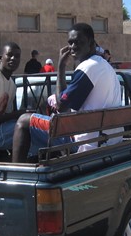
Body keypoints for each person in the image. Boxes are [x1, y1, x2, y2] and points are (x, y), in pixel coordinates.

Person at [12, 23, 122, 162]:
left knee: (23, 121)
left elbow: (61, 107)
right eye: (70, 42)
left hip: (86, 143)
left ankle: (16, 170)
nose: (73, 46)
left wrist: (61, 66)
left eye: (78, 42)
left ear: (91, 44)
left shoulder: (88, 68)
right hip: (108, 139)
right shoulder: (106, 66)